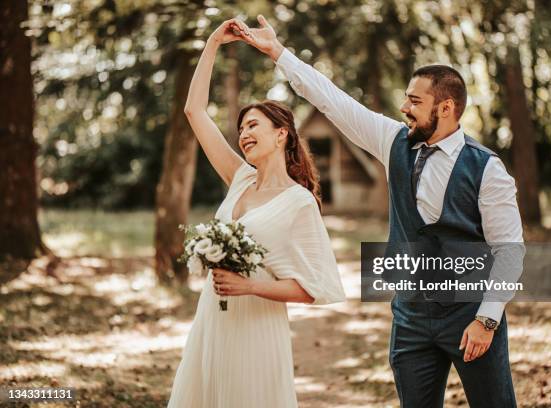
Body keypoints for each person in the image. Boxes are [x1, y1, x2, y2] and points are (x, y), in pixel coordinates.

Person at [236, 15, 524, 408]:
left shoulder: (488, 169)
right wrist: (278, 53)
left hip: (470, 315)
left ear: (446, 108)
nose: (404, 107)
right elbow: (333, 101)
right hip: (411, 318)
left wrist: (487, 320)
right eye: (406, 97)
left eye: (415, 101)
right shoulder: (393, 141)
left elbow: (510, 252)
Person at [166, 19, 345, 408]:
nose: (243, 134)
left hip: (258, 325)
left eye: (253, 125)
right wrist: (214, 42)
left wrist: (249, 286)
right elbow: (194, 111)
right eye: (241, 128)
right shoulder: (240, 179)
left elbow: (313, 288)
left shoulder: (300, 203)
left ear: (281, 134)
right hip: (214, 317)